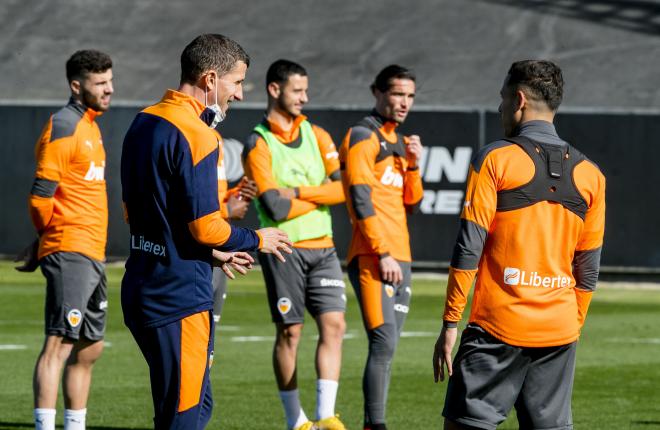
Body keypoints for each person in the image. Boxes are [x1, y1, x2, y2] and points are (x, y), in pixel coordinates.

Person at [120, 34, 292, 429]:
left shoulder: (144, 120)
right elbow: (205, 226)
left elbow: (140, 212)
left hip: (143, 283)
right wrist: (257, 239)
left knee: (193, 404)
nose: (241, 94)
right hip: (178, 295)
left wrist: (215, 253)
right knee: (185, 415)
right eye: (237, 81)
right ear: (211, 79)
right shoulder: (199, 134)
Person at [433, 60, 606, 430]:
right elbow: (588, 268)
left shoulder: (495, 158)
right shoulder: (592, 175)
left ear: (520, 99)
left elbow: (468, 248)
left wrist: (450, 322)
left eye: (503, 98)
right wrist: (570, 325)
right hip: (559, 331)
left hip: (496, 329)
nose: (500, 108)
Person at [243, 59, 347, 430]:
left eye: (305, 90)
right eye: (297, 90)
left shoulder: (318, 135)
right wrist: (321, 197)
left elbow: (343, 188)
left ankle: (326, 416)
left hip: (325, 248)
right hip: (284, 248)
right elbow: (274, 206)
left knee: (334, 325)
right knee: (291, 331)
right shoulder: (258, 141)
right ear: (275, 90)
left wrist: (300, 192)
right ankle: (296, 421)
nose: (305, 97)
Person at [26, 49, 113, 430]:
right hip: (71, 247)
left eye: (110, 81)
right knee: (59, 343)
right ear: (77, 86)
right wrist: (49, 237)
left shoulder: (91, 125)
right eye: (100, 83)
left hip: (92, 251)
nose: (109, 89)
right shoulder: (64, 125)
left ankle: (74, 425)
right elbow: (40, 196)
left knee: (90, 347)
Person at [338, 65, 424, 430]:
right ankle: (375, 424)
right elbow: (359, 197)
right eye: (397, 94)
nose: (404, 103)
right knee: (384, 340)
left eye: (410, 96)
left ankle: (374, 423)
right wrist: (382, 252)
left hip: (400, 257)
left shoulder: (400, 144)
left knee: (388, 347)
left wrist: (415, 165)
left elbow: (412, 202)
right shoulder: (362, 135)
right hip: (375, 256)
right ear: (377, 93)